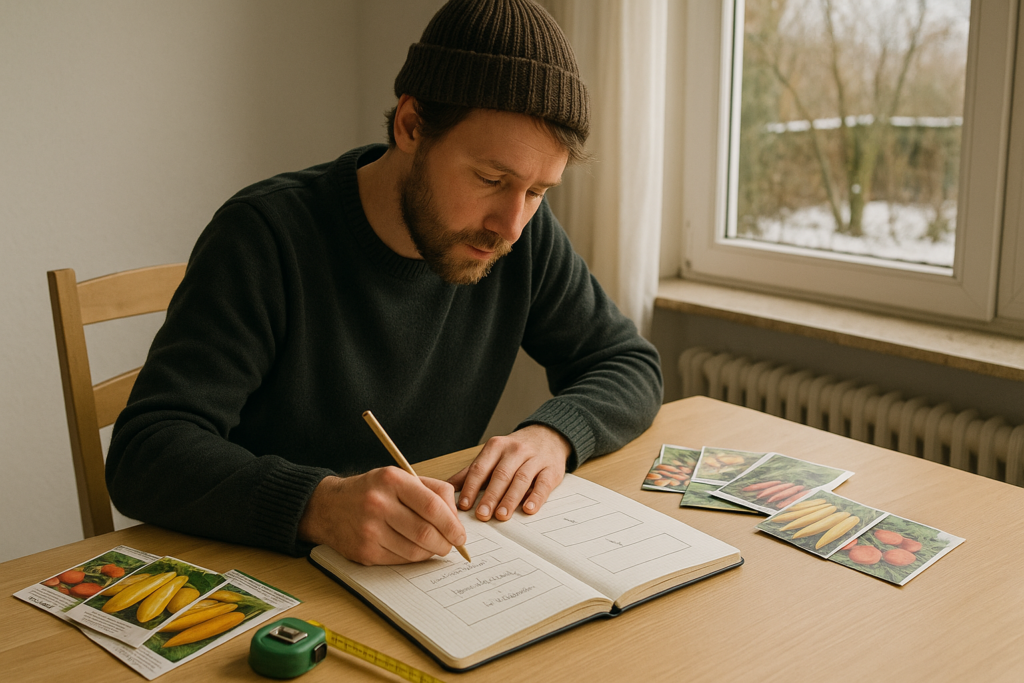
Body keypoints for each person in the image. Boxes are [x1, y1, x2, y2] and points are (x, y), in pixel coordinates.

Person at [106, 0, 662, 566]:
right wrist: (318, 505)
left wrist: (555, 435)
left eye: (540, 191)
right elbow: (145, 454)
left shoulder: (523, 234)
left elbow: (629, 363)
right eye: (491, 178)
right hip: (270, 581)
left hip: (421, 577)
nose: (511, 226)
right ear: (411, 125)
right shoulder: (265, 237)